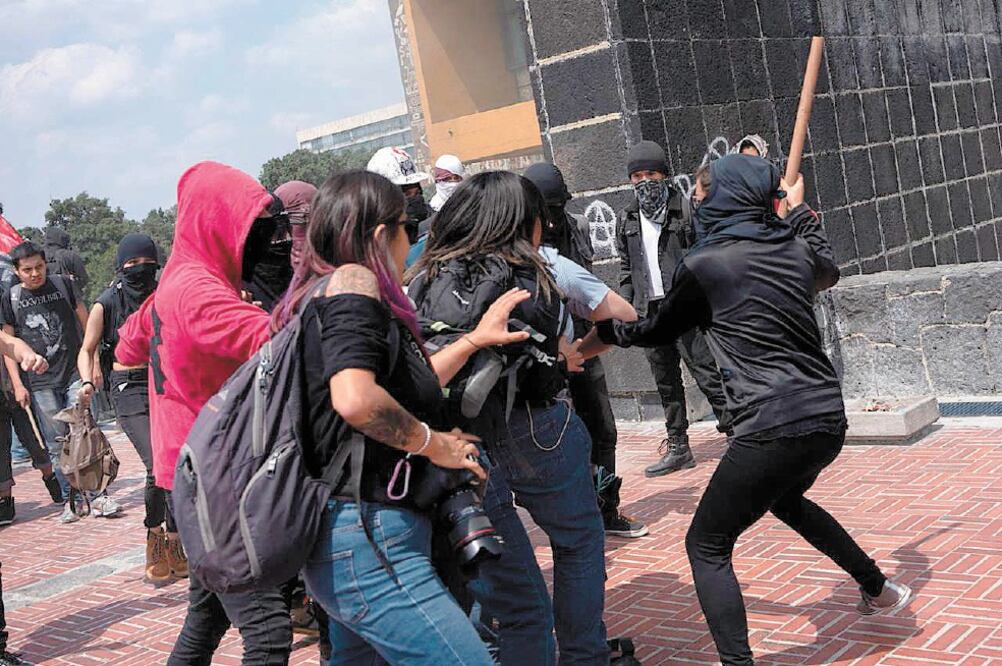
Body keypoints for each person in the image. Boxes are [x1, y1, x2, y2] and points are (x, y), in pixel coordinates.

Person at [598, 154, 912, 665]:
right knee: (785, 501)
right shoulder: (791, 249)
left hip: (770, 425)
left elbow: (656, 329)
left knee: (706, 545)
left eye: (702, 192)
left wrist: (608, 331)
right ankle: (879, 589)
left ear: (724, 197)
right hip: (826, 419)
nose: (697, 200)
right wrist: (800, 210)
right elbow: (826, 265)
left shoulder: (706, 265)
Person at [272, 169, 520, 665]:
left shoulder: (316, 296)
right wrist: (436, 443)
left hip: (349, 536)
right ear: (383, 234)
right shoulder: (354, 280)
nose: (412, 241)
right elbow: (356, 400)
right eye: (408, 228)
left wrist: (472, 340)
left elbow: (400, 385)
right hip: (370, 537)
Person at [410, 171, 610, 665]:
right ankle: (585, 656)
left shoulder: (425, 273)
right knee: (578, 542)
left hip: (465, 441)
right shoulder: (527, 271)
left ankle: (500, 650)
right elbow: (569, 340)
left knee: (499, 565)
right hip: (540, 428)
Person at [116, 161, 294, 665]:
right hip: (212, 480)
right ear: (218, 223)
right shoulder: (198, 291)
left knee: (208, 614)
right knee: (267, 630)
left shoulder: (177, 281)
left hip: (191, 467)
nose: (265, 239)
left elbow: (126, 350)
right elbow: (282, 342)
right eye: (253, 226)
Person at [524, 161, 648, 539]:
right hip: (546, 353)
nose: (554, 218)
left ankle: (606, 509)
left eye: (559, 207)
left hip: (584, 345)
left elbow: (593, 289)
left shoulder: (576, 227)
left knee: (603, 430)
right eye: (548, 210)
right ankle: (573, 518)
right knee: (557, 438)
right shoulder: (524, 247)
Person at [616, 140, 730, 478]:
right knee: (665, 382)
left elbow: (705, 253)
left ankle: (737, 435)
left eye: (651, 173)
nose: (644, 181)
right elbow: (626, 267)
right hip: (649, 312)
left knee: (707, 373)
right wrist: (627, 306)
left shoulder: (684, 209)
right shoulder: (627, 217)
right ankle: (679, 445)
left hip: (685, 307)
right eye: (637, 175)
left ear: (664, 175)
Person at [75, 233, 185, 585]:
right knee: (157, 464)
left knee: (177, 464)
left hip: (165, 380)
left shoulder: (165, 291)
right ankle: (154, 536)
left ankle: (176, 539)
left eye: (146, 263)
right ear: (120, 265)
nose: (140, 269)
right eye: (132, 263)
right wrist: (88, 380)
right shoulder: (106, 302)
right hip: (129, 387)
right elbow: (87, 347)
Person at [0, 241, 105, 524]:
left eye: (39, 267)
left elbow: (88, 329)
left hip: (73, 372)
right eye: (28, 270)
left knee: (85, 432)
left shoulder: (63, 285)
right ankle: (71, 498)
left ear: (46, 264)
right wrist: (17, 385)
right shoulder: (10, 298)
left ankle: (97, 494)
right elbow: (7, 345)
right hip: (39, 383)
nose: (35, 274)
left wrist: (93, 365)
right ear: (17, 271)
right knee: (57, 442)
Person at [366, 146, 430, 244]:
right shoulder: (373, 241)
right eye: (407, 195)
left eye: (417, 193)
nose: (415, 199)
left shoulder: (433, 223)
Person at [41, 228, 89, 294]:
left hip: (43, 299)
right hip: (69, 298)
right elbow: (84, 279)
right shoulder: (70, 255)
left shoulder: (38, 256)